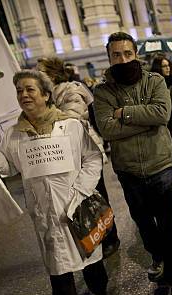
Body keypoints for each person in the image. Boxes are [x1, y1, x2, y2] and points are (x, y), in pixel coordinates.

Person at [0, 70, 107, 295]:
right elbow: (9, 166)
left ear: (46, 94)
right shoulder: (14, 134)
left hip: (75, 203)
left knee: (89, 252)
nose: (24, 95)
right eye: (20, 90)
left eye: (30, 89)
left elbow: (92, 158)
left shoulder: (70, 126)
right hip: (44, 210)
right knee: (56, 260)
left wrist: (81, 191)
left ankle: (99, 290)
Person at [93, 32, 172, 295]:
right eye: (116, 55)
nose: (122, 59)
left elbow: (162, 114)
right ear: (109, 58)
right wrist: (145, 118)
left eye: (127, 54)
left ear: (135, 54)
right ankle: (158, 256)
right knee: (144, 223)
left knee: (169, 226)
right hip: (128, 171)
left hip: (159, 165)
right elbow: (107, 129)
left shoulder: (155, 80)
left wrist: (124, 113)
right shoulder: (102, 91)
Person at [37, 56, 121, 257]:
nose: (37, 74)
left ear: (52, 74)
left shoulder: (72, 90)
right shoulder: (49, 94)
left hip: (86, 154)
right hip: (66, 155)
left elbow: (70, 118)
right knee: (82, 199)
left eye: (41, 71)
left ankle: (111, 237)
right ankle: (94, 235)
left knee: (97, 197)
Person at [150, 54, 172, 192]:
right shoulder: (154, 86)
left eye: (167, 65)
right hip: (161, 126)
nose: (167, 68)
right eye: (164, 66)